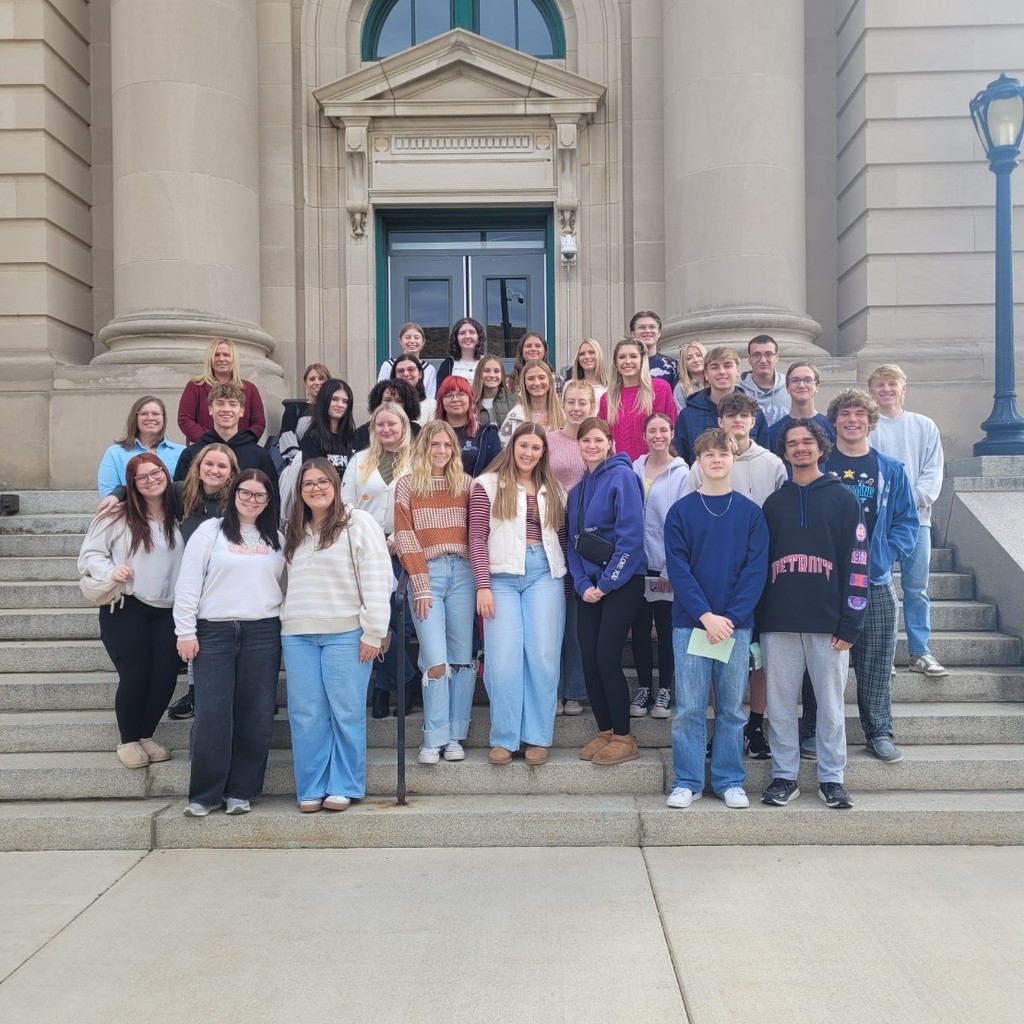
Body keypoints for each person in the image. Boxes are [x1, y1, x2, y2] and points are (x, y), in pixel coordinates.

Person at [758, 420, 867, 810]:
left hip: (828, 625)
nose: (800, 448)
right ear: (784, 452)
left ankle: (832, 778)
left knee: (831, 706)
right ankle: (784, 776)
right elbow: (760, 565)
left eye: (807, 442)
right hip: (779, 622)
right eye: (792, 444)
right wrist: (758, 622)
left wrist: (851, 621)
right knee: (781, 706)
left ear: (821, 448)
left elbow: (858, 564)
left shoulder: (843, 499)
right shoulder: (774, 503)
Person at [809, 388, 918, 763]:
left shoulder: (890, 468)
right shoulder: (820, 466)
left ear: (870, 422)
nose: (852, 420)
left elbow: (907, 522)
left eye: (859, 414)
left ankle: (879, 730)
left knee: (875, 660)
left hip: (874, 582)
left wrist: (883, 555)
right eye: (844, 414)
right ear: (834, 420)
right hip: (827, 585)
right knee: (820, 665)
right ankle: (814, 729)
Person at [663, 429, 769, 809]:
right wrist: (707, 616)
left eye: (723, 453)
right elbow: (678, 570)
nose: (716, 459)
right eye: (708, 454)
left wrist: (730, 617)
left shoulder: (751, 513)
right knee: (689, 707)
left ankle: (729, 779)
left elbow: (755, 572)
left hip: (736, 627)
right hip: (690, 624)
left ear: (734, 458)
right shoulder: (681, 512)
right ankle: (687, 780)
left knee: (730, 708)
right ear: (699, 461)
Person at [281, 459, 391, 812]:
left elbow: (376, 576)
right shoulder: (294, 529)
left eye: (322, 481)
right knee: (307, 714)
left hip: (346, 633)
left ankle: (344, 784)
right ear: (300, 491)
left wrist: (374, 631)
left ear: (335, 484)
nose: (315, 488)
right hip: (298, 634)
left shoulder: (357, 522)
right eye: (307, 483)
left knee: (345, 711)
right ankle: (311, 787)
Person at [173, 470, 286, 816]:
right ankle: (206, 794)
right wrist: (185, 631)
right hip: (214, 632)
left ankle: (241, 790)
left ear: (268, 501)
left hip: (262, 632)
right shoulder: (210, 532)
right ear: (233, 494)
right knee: (212, 714)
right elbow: (189, 581)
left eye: (259, 495)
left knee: (255, 714)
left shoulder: (276, 539)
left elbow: (286, 587)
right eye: (245, 493)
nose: (251, 500)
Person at [684, 391, 785, 758]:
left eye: (744, 415)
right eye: (730, 415)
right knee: (716, 650)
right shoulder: (703, 464)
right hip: (713, 580)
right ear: (721, 422)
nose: (737, 421)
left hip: (758, 577)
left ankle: (754, 727)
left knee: (757, 656)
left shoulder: (772, 463)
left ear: (753, 421)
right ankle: (719, 731)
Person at [469, 423, 567, 766]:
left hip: (545, 575)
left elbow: (563, 539)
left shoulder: (552, 487)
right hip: (501, 578)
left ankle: (538, 736)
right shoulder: (487, 485)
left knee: (542, 656)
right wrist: (482, 585)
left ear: (543, 453)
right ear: (512, 447)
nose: (529, 453)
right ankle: (505, 737)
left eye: (536, 448)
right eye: (523, 446)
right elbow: (477, 538)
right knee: (504, 658)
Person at [78, 453, 183, 769]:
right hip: (126, 605)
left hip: (168, 609)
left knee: (165, 677)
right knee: (136, 674)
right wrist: (112, 571)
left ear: (166, 474)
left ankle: (146, 734)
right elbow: (89, 556)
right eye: (143, 477)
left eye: (157, 472)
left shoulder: (181, 516)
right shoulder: (116, 515)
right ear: (132, 485)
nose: (152, 480)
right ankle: (128, 739)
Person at [393, 421, 476, 763]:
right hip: (427, 574)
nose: (441, 451)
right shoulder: (407, 486)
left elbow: (478, 532)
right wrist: (420, 582)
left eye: (447, 445)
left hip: (463, 573)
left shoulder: (467, 485)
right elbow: (404, 536)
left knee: (461, 658)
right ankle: (434, 736)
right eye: (434, 445)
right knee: (436, 660)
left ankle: (455, 736)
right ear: (423, 448)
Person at [567, 417, 647, 765]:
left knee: (606, 657)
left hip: (622, 581)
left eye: (598, 440)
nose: (592, 446)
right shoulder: (576, 490)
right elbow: (573, 543)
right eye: (586, 441)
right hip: (589, 587)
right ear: (579, 445)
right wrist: (584, 584)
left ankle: (624, 736)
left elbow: (631, 537)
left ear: (610, 443)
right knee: (587, 659)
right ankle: (605, 730)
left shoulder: (623, 477)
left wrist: (606, 583)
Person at [869, 364, 947, 677]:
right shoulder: (868, 428)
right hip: (878, 523)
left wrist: (909, 504)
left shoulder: (923, 425)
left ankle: (920, 651)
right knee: (879, 587)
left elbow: (933, 470)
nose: (886, 390)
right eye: (880, 385)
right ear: (871, 391)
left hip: (918, 521)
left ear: (904, 388)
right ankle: (882, 653)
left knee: (916, 588)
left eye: (892, 384)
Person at [343, 403, 415, 717]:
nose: (386, 430)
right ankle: (402, 680)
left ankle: (386, 685)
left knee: (399, 618)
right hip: (366, 548)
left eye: (392, 425)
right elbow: (345, 504)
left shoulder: (418, 459)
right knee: (376, 619)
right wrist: (367, 538)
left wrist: (399, 537)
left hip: (404, 548)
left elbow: (422, 502)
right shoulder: (359, 461)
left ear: (403, 425)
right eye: (380, 425)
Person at [629, 413, 689, 720]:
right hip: (637, 564)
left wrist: (669, 568)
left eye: (663, 430)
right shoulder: (634, 467)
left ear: (671, 434)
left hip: (665, 565)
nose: (658, 435)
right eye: (652, 430)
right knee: (639, 629)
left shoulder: (682, 472)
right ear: (644, 434)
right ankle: (643, 687)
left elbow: (681, 523)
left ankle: (664, 688)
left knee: (665, 629)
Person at [546, 379, 596, 715]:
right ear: (563, 404)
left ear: (592, 406)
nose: (577, 407)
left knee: (579, 615)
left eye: (583, 402)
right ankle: (553, 688)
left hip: (586, 538)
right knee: (552, 613)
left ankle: (575, 688)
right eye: (572, 402)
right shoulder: (549, 440)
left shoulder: (595, 442)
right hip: (551, 531)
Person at [673, 346, 769, 464]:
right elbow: (681, 460)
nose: (722, 372)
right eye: (715, 367)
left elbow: (765, 457)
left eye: (727, 366)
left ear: (738, 370)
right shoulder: (687, 416)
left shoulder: (754, 412)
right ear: (706, 374)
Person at [174, 383, 278, 486]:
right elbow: (179, 496)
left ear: (241, 411)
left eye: (233, 404)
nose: (226, 409)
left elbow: (272, 497)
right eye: (220, 403)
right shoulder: (191, 454)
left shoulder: (259, 456)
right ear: (210, 410)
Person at [598, 338, 677, 461]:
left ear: (642, 360)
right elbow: (601, 437)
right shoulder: (607, 398)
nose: (628, 361)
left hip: (653, 466)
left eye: (633, 356)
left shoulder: (659, 389)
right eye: (622, 357)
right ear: (616, 362)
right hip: (619, 469)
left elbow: (671, 429)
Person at [177, 337, 266, 443]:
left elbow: (258, 423)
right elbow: (185, 419)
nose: (221, 359)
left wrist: (240, 441)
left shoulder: (250, 389)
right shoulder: (195, 387)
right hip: (203, 448)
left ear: (234, 358)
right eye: (216, 355)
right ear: (210, 358)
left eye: (226, 355)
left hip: (239, 449)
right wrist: (210, 439)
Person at [98, 396, 185, 498]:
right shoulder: (115, 453)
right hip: (130, 512)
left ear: (163, 418)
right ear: (135, 418)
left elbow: (188, 490)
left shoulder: (181, 452)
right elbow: (108, 494)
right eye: (144, 414)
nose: (150, 418)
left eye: (156, 413)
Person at [436, 375, 502, 477]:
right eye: (448, 395)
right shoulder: (430, 433)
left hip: (475, 491)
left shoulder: (488, 434)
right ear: (441, 402)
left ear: (470, 399)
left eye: (461, 394)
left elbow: (494, 473)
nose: (455, 399)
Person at [767, 362, 835, 455]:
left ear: (817, 386)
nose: (801, 385)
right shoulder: (773, 432)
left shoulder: (831, 428)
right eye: (795, 380)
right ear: (787, 387)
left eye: (808, 380)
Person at [498, 359, 566, 447]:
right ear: (524, 383)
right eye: (531, 378)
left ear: (549, 380)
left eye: (541, 377)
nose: (537, 383)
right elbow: (504, 452)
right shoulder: (514, 416)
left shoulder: (564, 414)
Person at [297, 378, 357, 472]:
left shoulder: (353, 438)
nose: (340, 405)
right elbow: (312, 476)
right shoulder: (311, 438)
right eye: (334, 399)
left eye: (345, 401)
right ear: (324, 401)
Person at [351, 379, 422, 451]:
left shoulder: (416, 430)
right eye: (387, 400)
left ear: (407, 404)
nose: (393, 404)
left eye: (399, 401)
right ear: (379, 402)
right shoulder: (363, 432)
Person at [737, 334, 791, 426]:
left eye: (768, 354)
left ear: (776, 357)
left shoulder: (790, 386)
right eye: (756, 355)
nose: (763, 360)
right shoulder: (738, 391)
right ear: (749, 359)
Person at [378, 321, 437, 398]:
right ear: (400, 341)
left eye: (416, 337)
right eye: (407, 337)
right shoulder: (388, 365)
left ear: (423, 342)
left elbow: (429, 397)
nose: (412, 341)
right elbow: (380, 394)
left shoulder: (429, 369)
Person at [504, 332, 566, 397]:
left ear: (545, 351)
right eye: (528, 346)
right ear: (521, 351)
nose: (533, 349)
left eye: (538, 346)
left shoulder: (557, 380)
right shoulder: (509, 383)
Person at [630, 310, 679, 390]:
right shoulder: (625, 365)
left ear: (659, 333)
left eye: (652, 327)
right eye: (642, 327)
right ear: (633, 334)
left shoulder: (673, 365)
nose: (647, 331)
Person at [281, 362, 332, 435]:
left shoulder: (336, 409)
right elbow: (285, 438)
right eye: (312, 379)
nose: (317, 382)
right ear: (305, 383)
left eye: (321, 379)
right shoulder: (294, 409)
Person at [436, 317, 486, 387]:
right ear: (456, 338)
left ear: (479, 337)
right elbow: (440, 394)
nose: (467, 336)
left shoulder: (486, 363)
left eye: (472, 332)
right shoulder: (448, 365)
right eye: (462, 333)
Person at [473, 354, 516, 430]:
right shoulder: (470, 402)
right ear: (479, 374)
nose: (492, 375)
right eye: (486, 371)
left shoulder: (515, 400)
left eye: (496, 371)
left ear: (502, 375)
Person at [562, 338, 608, 406]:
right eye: (582, 354)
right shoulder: (569, 385)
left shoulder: (610, 388)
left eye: (591, 352)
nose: (586, 357)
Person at [392, 354, 437, 423]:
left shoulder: (431, 405)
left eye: (411, 369)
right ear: (394, 375)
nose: (406, 374)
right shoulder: (386, 402)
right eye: (400, 371)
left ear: (420, 374)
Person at [673, 341, 708, 410]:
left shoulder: (715, 383)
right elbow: (681, 415)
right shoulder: (681, 388)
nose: (695, 360)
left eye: (699, 355)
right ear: (684, 364)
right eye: (689, 358)